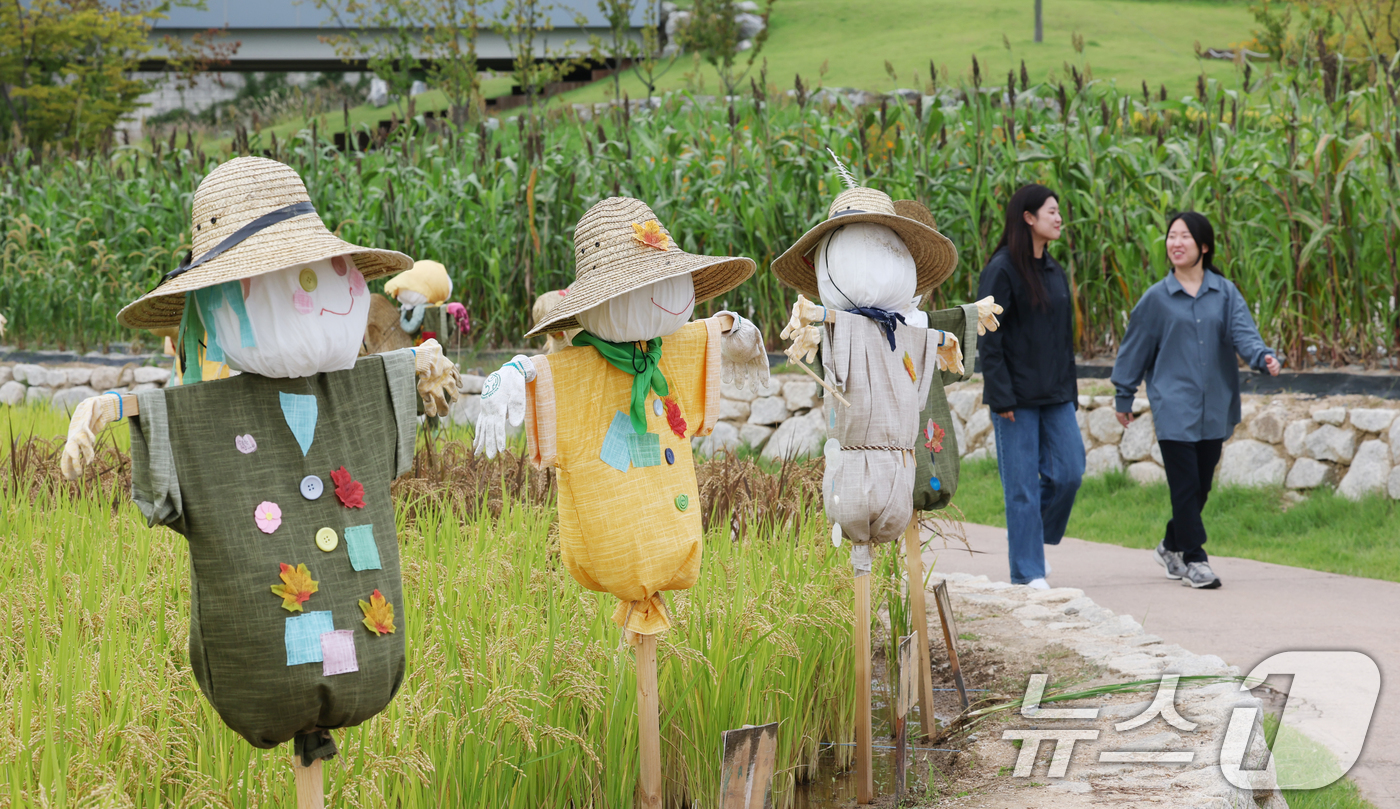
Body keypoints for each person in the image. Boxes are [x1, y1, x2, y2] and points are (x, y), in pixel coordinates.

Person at [1112, 212, 1280, 590]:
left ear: (1203, 246)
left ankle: (1171, 545)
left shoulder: (1225, 292)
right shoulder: (1156, 299)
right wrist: (1124, 394)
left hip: (1215, 407)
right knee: (1185, 485)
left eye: (1185, 237)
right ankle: (1194, 558)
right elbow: (1133, 349)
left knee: (1201, 486)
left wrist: (1262, 356)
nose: (1176, 243)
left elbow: (1245, 334)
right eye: (1171, 236)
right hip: (1173, 406)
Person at [977, 184, 1083, 589]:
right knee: (1020, 489)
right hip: (1015, 400)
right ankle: (1027, 572)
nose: (1058, 218)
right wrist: (1000, 394)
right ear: (1028, 217)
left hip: (1056, 395)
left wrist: (1069, 391)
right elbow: (989, 337)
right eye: (1051, 211)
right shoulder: (1002, 270)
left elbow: (1063, 339)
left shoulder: (1054, 271)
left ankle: (1030, 542)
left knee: (1070, 473)